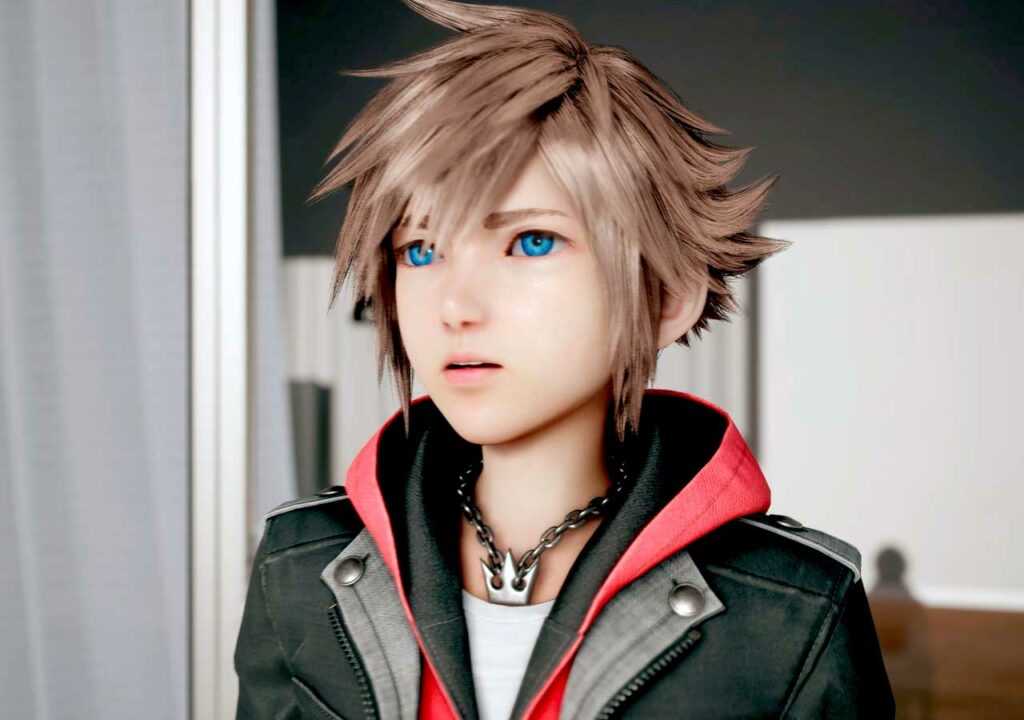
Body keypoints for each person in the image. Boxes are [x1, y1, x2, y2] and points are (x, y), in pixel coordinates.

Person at [234, 0, 895, 717]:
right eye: (420, 250)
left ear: (666, 296)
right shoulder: (300, 563)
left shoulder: (795, 608)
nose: (456, 305)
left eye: (531, 242)